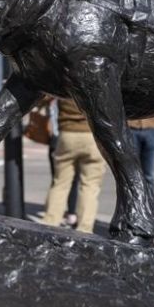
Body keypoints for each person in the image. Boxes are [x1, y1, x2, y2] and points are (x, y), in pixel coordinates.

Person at [41, 99, 106, 233]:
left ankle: (50, 224)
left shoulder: (65, 79)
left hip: (67, 134)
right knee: (90, 185)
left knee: (60, 183)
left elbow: (44, 97)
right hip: (92, 135)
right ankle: (85, 229)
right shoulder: (98, 80)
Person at [128, 116, 154, 192]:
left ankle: (149, 202)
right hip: (131, 128)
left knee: (149, 175)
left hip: (152, 128)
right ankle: (135, 202)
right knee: (132, 174)